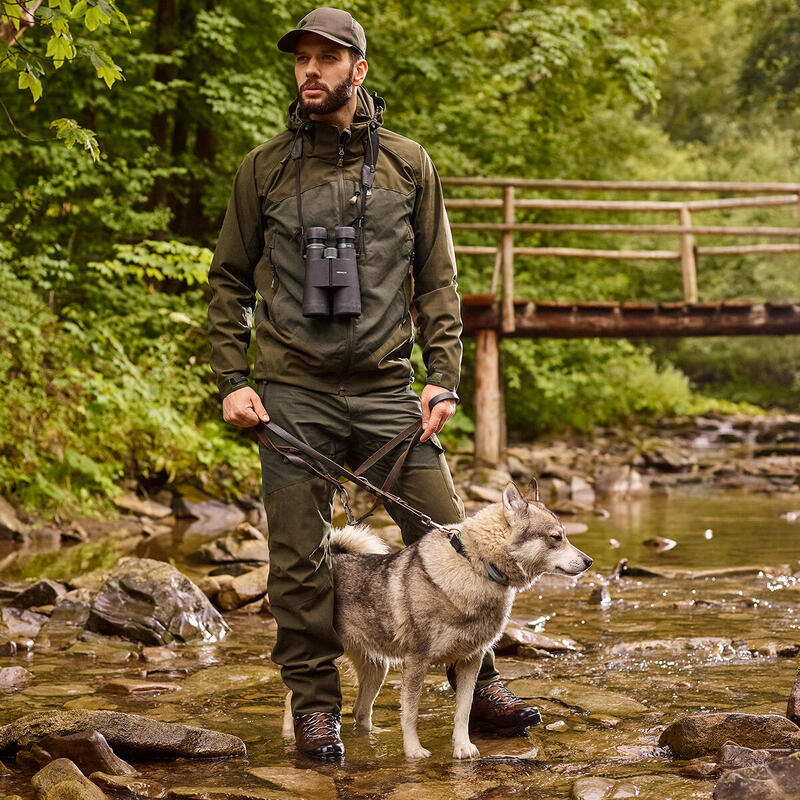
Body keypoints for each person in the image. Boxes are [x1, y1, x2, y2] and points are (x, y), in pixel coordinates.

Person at [207, 6, 541, 761]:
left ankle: (478, 679)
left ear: (358, 70)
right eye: (302, 60)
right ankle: (315, 704)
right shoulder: (261, 169)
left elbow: (438, 283)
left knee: (452, 537)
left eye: (328, 59)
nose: (310, 71)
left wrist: (444, 380)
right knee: (299, 561)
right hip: (291, 392)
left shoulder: (407, 164)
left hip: (391, 391)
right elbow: (228, 281)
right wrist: (233, 378)